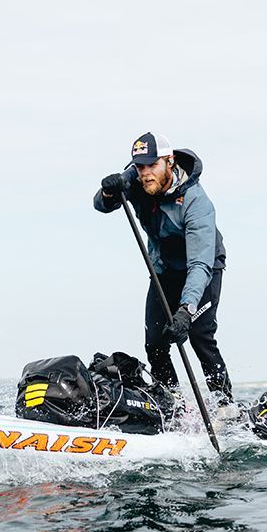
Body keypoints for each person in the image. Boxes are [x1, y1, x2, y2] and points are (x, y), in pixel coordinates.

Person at [94, 132, 233, 406]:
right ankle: (173, 403)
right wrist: (109, 192)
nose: (146, 173)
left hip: (202, 268)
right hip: (164, 269)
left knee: (199, 337)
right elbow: (102, 205)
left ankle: (225, 405)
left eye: (152, 165)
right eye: (140, 166)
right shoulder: (134, 182)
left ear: (169, 162)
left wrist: (186, 309)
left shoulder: (197, 203)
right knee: (155, 343)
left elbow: (199, 264)